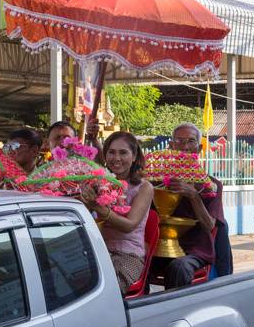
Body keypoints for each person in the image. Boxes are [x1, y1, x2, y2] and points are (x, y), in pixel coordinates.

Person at [151, 122, 230, 288]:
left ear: (199, 148)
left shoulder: (211, 185)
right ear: (171, 146)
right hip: (157, 247)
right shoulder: (156, 180)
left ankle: (176, 312)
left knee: (179, 267)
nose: (184, 147)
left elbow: (209, 225)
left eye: (191, 141)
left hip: (194, 251)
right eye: (179, 141)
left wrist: (193, 195)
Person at [80, 131, 153, 295]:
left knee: (106, 290)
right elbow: (83, 216)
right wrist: (86, 198)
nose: (117, 158)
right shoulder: (99, 181)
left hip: (129, 255)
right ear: (105, 156)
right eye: (111, 152)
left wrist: (97, 206)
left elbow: (129, 226)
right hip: (98, 250)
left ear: (134, 156)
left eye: (123, 152)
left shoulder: (144, 187)